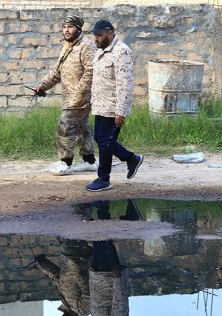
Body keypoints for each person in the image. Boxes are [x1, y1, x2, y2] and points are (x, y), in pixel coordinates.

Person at [34, 14, 97, 176]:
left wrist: (79, 92)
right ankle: (89, 161)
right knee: (82, 128)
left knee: (65, 127)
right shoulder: (67, 46)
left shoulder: (87, 46)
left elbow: (91, 72)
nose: (66, 30)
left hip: (81, 97)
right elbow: (56, 72)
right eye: (64, 27)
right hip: (69, 96)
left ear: (78, 28)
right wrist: (42, 86)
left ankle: (65, 162)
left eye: (70, 27)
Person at [86, 19, 143, 192]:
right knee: (101, 139)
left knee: (105, 142)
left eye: (99, 35)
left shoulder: (122, 52)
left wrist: (121, 111)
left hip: (113, 107)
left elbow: (125, 83)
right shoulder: (101, 51)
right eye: (95, 36)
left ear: (110, 33)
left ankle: (104, 179)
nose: (96, 39)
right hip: (100, 105)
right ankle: (131, 158)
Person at [33, 238, 92, 316]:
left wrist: (42, 263)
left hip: (67, 257)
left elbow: (57, 277)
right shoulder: (82, 311)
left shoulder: (66, 304)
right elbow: (88, 291)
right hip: (78, 258)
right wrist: (77, 272)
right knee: (71, 231)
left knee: (64, 231)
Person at [84, 239, 130, 316]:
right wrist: (117, 278)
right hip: (109, 274)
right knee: (101, 238)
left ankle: (99, 221)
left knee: (100, 239)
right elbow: (120, 302)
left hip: (97, 273)